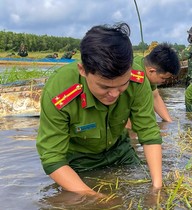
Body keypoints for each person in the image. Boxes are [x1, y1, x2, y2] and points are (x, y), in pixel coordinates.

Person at [36, 23, 163, 197]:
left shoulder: (138, 79)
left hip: (120, 153)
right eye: (104, 87)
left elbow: (148, 132)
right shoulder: (59, 92)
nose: (114, 95)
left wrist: (157, 188)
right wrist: (96, 198)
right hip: (79, 161)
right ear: (83, 70)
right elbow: (52, 158)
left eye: (122, 85)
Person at [132, 43, 180, 122]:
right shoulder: (135, 75)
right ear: (152, 71)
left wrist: (169, 121)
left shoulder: (146, 67)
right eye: (163, 78)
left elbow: (155, 97)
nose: (163, 81)